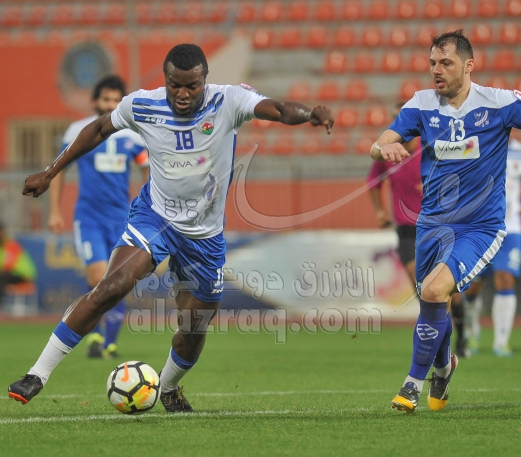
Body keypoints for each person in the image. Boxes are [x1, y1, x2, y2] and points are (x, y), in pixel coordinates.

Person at [8, 44, 334, 411]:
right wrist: (51, 172)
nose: (182, 94)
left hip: (204, 235)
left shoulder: (229, 101)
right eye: (174, 85)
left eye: (191, 86)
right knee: (111, 287)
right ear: (165, 79)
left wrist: (309, 114)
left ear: (204, 80)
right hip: (156, 217)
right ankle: (37, 374)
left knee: (193, 328)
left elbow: (279, 109)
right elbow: (98, 128)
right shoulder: (142, 105)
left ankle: (167, 387)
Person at [369, 30, 521, 413]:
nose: (436, 70)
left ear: (468, 65)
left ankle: (411, 385)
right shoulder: (421, 104)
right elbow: (377, 144)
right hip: (432, 225)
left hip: (480, 226)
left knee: (434, 291)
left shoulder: (499, 102)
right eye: (432, 63)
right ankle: (445, 368)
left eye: (445, 62)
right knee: (434, 300)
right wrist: (385, 146)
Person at [48, 75, 149, 359]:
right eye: (106, 99)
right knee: (97, 275)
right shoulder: (79, 130)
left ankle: (109, 343)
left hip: (121, 218)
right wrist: (54, 210)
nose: (110, 105)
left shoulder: (132, 134)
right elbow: (58, 169)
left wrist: (147, 208)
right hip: (89, 218)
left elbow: (148, 170)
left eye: (116, 100)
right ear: (95, 101)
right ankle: (94, 334)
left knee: (118, 280)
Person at [367, 103, 469, 358]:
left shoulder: (432, 148)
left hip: (438, 227)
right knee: (422, 286)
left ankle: (461, 338)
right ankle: (438, 339)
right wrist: (380, 211)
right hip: (407, 230)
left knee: (450, 293)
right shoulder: (388, 153)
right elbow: (372, 182)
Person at [463, 138, 521, 357]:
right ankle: (471, 330)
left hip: (511, 228)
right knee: (472, 285)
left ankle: (501, 341)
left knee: (506, 278)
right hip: (479, 228)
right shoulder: (473, 145)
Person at [0, 221, 37, 302]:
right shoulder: (2, 246)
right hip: (11, 275)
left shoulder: (11, 245)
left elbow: (7, 266)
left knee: (2, 278)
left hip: (24, 276)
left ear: (2, 232)